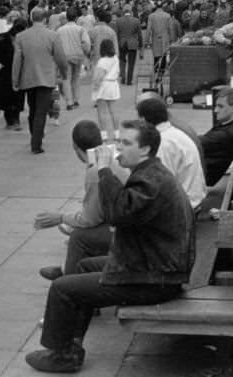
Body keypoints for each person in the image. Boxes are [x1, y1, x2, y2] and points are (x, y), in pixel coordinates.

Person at [26, 120, 193, 373]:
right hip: (150, 265)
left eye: (126, 143)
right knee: (83, 267)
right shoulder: (150, 174)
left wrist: (104, 170)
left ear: (145, 150)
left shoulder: (151, 180)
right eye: (118, 141)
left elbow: (117, 213)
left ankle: (60, 355)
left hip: (153, 278)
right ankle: (72, 346)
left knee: (62, 288)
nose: (118, 148)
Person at [34, 120, 130, 282]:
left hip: (127, 229)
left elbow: (90, 219)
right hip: (126, 219)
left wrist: (61, 217)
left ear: (75, 147)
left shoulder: (95, 169)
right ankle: (70, 270)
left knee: (80, 237)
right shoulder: (110, 154)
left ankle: (68, 283)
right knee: (80, 231)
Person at [136, 96, 207, 211]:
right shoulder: (173, 133)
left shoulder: (162, 142)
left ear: (142, 120)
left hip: (184, 208)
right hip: (192, 199)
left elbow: (161, 184)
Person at [13, 7, 66, 155]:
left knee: (33, 109)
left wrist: (15, 80)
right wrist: (64, 73)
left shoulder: (21, 37)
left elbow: (17, 61)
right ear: (45, 19)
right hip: (46, 78)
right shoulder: (53, 35)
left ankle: (34, 135)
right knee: (41, 112)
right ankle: (36, 143)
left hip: (28, 78)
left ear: (31, 18)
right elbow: (61, 58)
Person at [200, 87, 233, 186]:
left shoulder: (228, 134)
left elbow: (196, 143)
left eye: (220, 106)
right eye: (216, 106)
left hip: (199, 177)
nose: (215, 110)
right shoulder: (232, 127)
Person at [0, 18, 27, 130]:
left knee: (18, 96)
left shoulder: (25, 39)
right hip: (5, 72)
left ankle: (16, 119)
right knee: (7, 96)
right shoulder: (2, 38)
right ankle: (9, 120)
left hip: (20, 72)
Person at [56, 9, 91, 110]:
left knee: (66, 79)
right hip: (78, 56)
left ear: (66, 18)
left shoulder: (60, 30)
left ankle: (69, 102)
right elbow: (86, 44)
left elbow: (57, 45)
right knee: (75, 78)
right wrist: (86, 53)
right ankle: (76, 100)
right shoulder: (80, 29)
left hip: (65, 57)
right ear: (76, 18)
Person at [91, 38, 121, 141]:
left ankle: (103, 135)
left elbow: (98, 76)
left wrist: (95, 88)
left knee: (102, 112)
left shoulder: (102, 61)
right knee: (114, 111)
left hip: (104, 85)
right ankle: (117, 134)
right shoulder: (116, 59)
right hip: (113, 84)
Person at [146, 1, 178, 78]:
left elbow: (148, 29)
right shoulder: (167, 16)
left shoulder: (151, 16)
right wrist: (172, 39)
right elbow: (170, 29)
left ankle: (155, 69)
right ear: (162, 7)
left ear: (156, 6)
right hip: (165, 38)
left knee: (156, 55)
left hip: (155, 37)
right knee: (164, 55)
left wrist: (147, 40)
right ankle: (161, 71)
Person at [114, 4, 142, 85]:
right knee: (131, 63)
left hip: (122, 43)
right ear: (131, 11)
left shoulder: (118, 21)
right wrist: (140, 45)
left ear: (123, 11)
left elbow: (117, 34)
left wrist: (118, 43)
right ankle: (129, 80)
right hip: (132, 43)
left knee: (122, 61)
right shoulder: (136, 20)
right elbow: (139, 34)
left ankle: (123, 77)